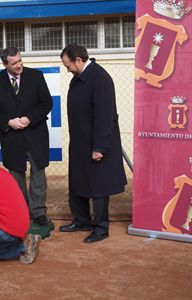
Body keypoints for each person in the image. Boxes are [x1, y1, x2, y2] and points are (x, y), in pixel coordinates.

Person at [58, 44, 127, 243]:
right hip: (80, 143)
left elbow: (105, 116)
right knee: (78, 182)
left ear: (78, 60)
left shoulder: (100, 78)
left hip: (96, 145)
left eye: (68, 65)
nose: (67, 69)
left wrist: (99, 148)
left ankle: (101, 228)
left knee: (98, 187)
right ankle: (81, 221)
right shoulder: (78, 78)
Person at [0, 46, 53, 227]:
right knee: (16, 176)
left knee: (38, 174)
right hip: (12, 138)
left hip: (35, 134)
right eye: (14, 63)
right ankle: (21, 211)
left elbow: (47, 102)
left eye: (20, 60)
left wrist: (29, 118)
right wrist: (8, 122)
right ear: (5, 63)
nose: (19, 65)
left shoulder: (36, 76)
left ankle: (39, 212)